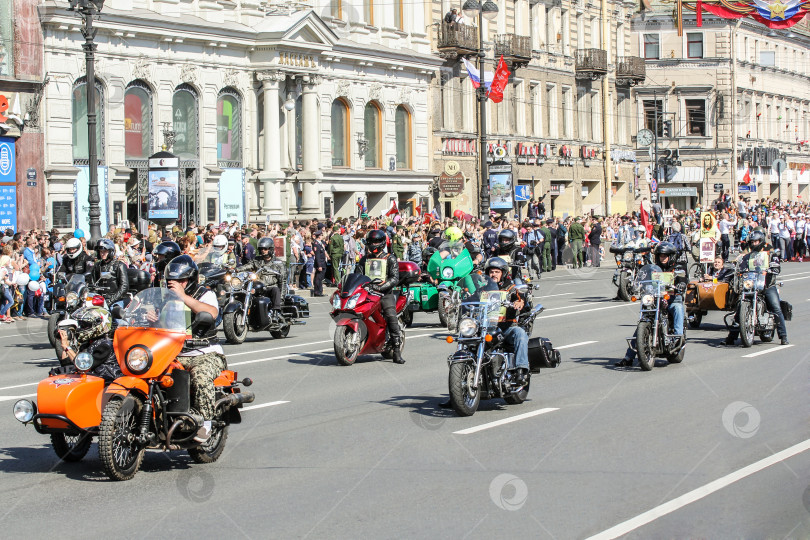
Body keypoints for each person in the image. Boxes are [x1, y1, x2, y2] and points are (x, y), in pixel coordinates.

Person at [164, 255, 225, 442]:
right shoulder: (165, 296)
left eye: (181, 280)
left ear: (190, 280)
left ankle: (206, 423)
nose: (175, 284)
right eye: (172, 281)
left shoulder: (205, 294)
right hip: (173, 353)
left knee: (200, 376)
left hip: (205, 352)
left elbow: (212, 313)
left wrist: (183, 297)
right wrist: (152, 316)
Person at [616, 241, 687, 367]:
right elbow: (644, 279)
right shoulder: (653, 269)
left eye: (665, 256)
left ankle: (678, 337)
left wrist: (681, 283)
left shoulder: (677, 267)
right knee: (643, 321)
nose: (663, 258)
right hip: (655, 299)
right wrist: (635, 285)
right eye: (661, 256)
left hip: (672, 299)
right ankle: (628, 357)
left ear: (670, 256)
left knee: (678, 308)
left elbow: (683, 278)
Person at [724, 230, 789, 346]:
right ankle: (731, 337)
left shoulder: (770, 254)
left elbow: (776, 264)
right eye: (752, 242)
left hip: (766, 285)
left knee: (776, 307)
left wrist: (774, 268)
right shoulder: (748, 256)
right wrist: (734, 268)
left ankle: (783, 336)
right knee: (739, 309)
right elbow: (741, 266)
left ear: (761, 241)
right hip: (751, 285)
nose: (754, 244)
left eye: (756, 241)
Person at [356, 229, 404, 364]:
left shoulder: (390, 258)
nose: (373, 244)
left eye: (376, 241)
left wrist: (380, 287)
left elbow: (394, 278)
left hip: (384, 294)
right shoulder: (364, 259)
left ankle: (397, 351)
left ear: (382, 243)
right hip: (367, 293)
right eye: (371, 241)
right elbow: (357, 276)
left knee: (391, 317)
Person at [235, 237, 285, 312]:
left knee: (276, 290)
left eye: (265, 249)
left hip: (270, 287)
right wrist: (236, 269)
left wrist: (281, 298)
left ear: (271, 249)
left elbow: (282, 281)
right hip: (258, 287)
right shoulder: (256, 260)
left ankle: (276, 312)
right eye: (261, 249)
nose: (263, 251)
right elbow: (247, 266)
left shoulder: (278, 263)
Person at [91, 238, 129, 307]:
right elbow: (93, 284)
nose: (102, 253)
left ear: (110, 251)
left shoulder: (119, 265)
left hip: (117, 299)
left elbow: (124, 287)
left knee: (115, 312)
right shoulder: (97, 266)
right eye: (101, 251)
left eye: (105, 251)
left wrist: (111, 300)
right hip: (100, 299)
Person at [312, 230, 327, 297]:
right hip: (320, 263)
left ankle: (319, 291)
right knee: (318, 278)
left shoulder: (320, 243)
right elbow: (317, 256)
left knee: (320, 278)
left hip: (323, 262)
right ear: (319, 236)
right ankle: (318, 292)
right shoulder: (316, 244)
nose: (322, 236)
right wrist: (319, 265)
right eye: (321, 235)